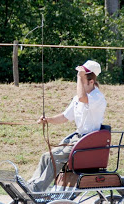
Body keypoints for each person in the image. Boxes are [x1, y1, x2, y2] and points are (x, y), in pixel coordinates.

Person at [26, 60, 107, 192]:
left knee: (56, 159)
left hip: (89, 142)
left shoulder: (97, 97)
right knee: (46, 156)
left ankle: (36, 189)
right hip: (79, 138)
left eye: (81, 79)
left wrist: (80, 76)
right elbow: (65, 117)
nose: (78, 83)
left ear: (91, 82)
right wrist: (48, 120)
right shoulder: (78, 98)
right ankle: (31, 184)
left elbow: (82, 98)